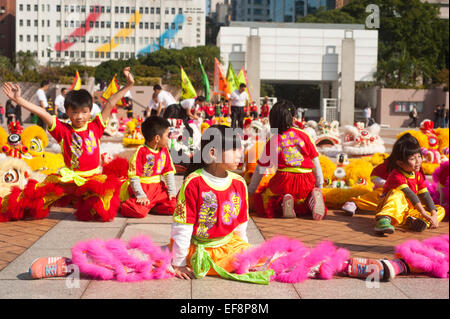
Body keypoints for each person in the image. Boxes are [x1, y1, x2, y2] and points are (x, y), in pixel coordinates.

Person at [0, 67, 135, 222]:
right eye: (75, 112)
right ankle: (8, 207)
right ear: (68, 112)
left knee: (104, 208)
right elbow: (42, 113)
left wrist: (129, 85)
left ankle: (85, 201)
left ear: (90, 111)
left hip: (92, 179)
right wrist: (19, 100)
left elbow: (111, 103)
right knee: (37, 198)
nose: (79, 117)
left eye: (84, 112)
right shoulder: (62, 130)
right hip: (69, 178)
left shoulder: (96, 125)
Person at [170, 125, 273, 283]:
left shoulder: (239, 182)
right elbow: (183, 227)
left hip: (228, 244)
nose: (240, 154)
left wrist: (245, 255)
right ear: (212, 153)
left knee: (267, 255)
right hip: (200, 249)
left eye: (240, 149)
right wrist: (179, 263)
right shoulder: (194, 182)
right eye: (234, 149)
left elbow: (240, 226)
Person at [248, 101, 327, 220]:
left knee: (269, 199)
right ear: (294, 118)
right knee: (303, 200)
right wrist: (319, 185)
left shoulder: (273, 139)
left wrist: (251, 190)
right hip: (306, 179)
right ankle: (312, 197)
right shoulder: (305, 135)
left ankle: (285, 200)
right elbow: (315, 162)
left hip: (284, 179)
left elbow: (260, 168)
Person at [373, 136, 446, 235]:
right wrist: (424, 213)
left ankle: (414, 221)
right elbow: (410, 194)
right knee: (397, 194)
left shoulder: (417, 175)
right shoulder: (396, 175)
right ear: (400, 163)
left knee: (440, 209)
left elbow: (425, 195)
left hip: (410, 209)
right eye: (412, 159)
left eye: (419, 156)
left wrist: (433, 215)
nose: (418, 161)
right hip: (393, 208)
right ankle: (384, 220)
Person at [341, 133, 420, 216]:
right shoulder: (389, 164)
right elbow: (374, 175)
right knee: (379, 195)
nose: (417, 160)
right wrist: (386, 184)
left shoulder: (417, 167)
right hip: (388, 194)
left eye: (418, 156)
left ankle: (411, 220)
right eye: (411, 157)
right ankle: (354, 203)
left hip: (407, 200)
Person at [120, 116, 178, 218]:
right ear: (157, 138)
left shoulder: (164, 151)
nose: (169, 138)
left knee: (174, 206)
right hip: (143, 188)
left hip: (158, 189)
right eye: (167, 135)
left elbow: (168, 172)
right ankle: (125, 205)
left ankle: (151, 207)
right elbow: (134, 177)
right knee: (138, 212)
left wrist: (172, 192)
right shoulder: (141, 152)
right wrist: (140, 195)